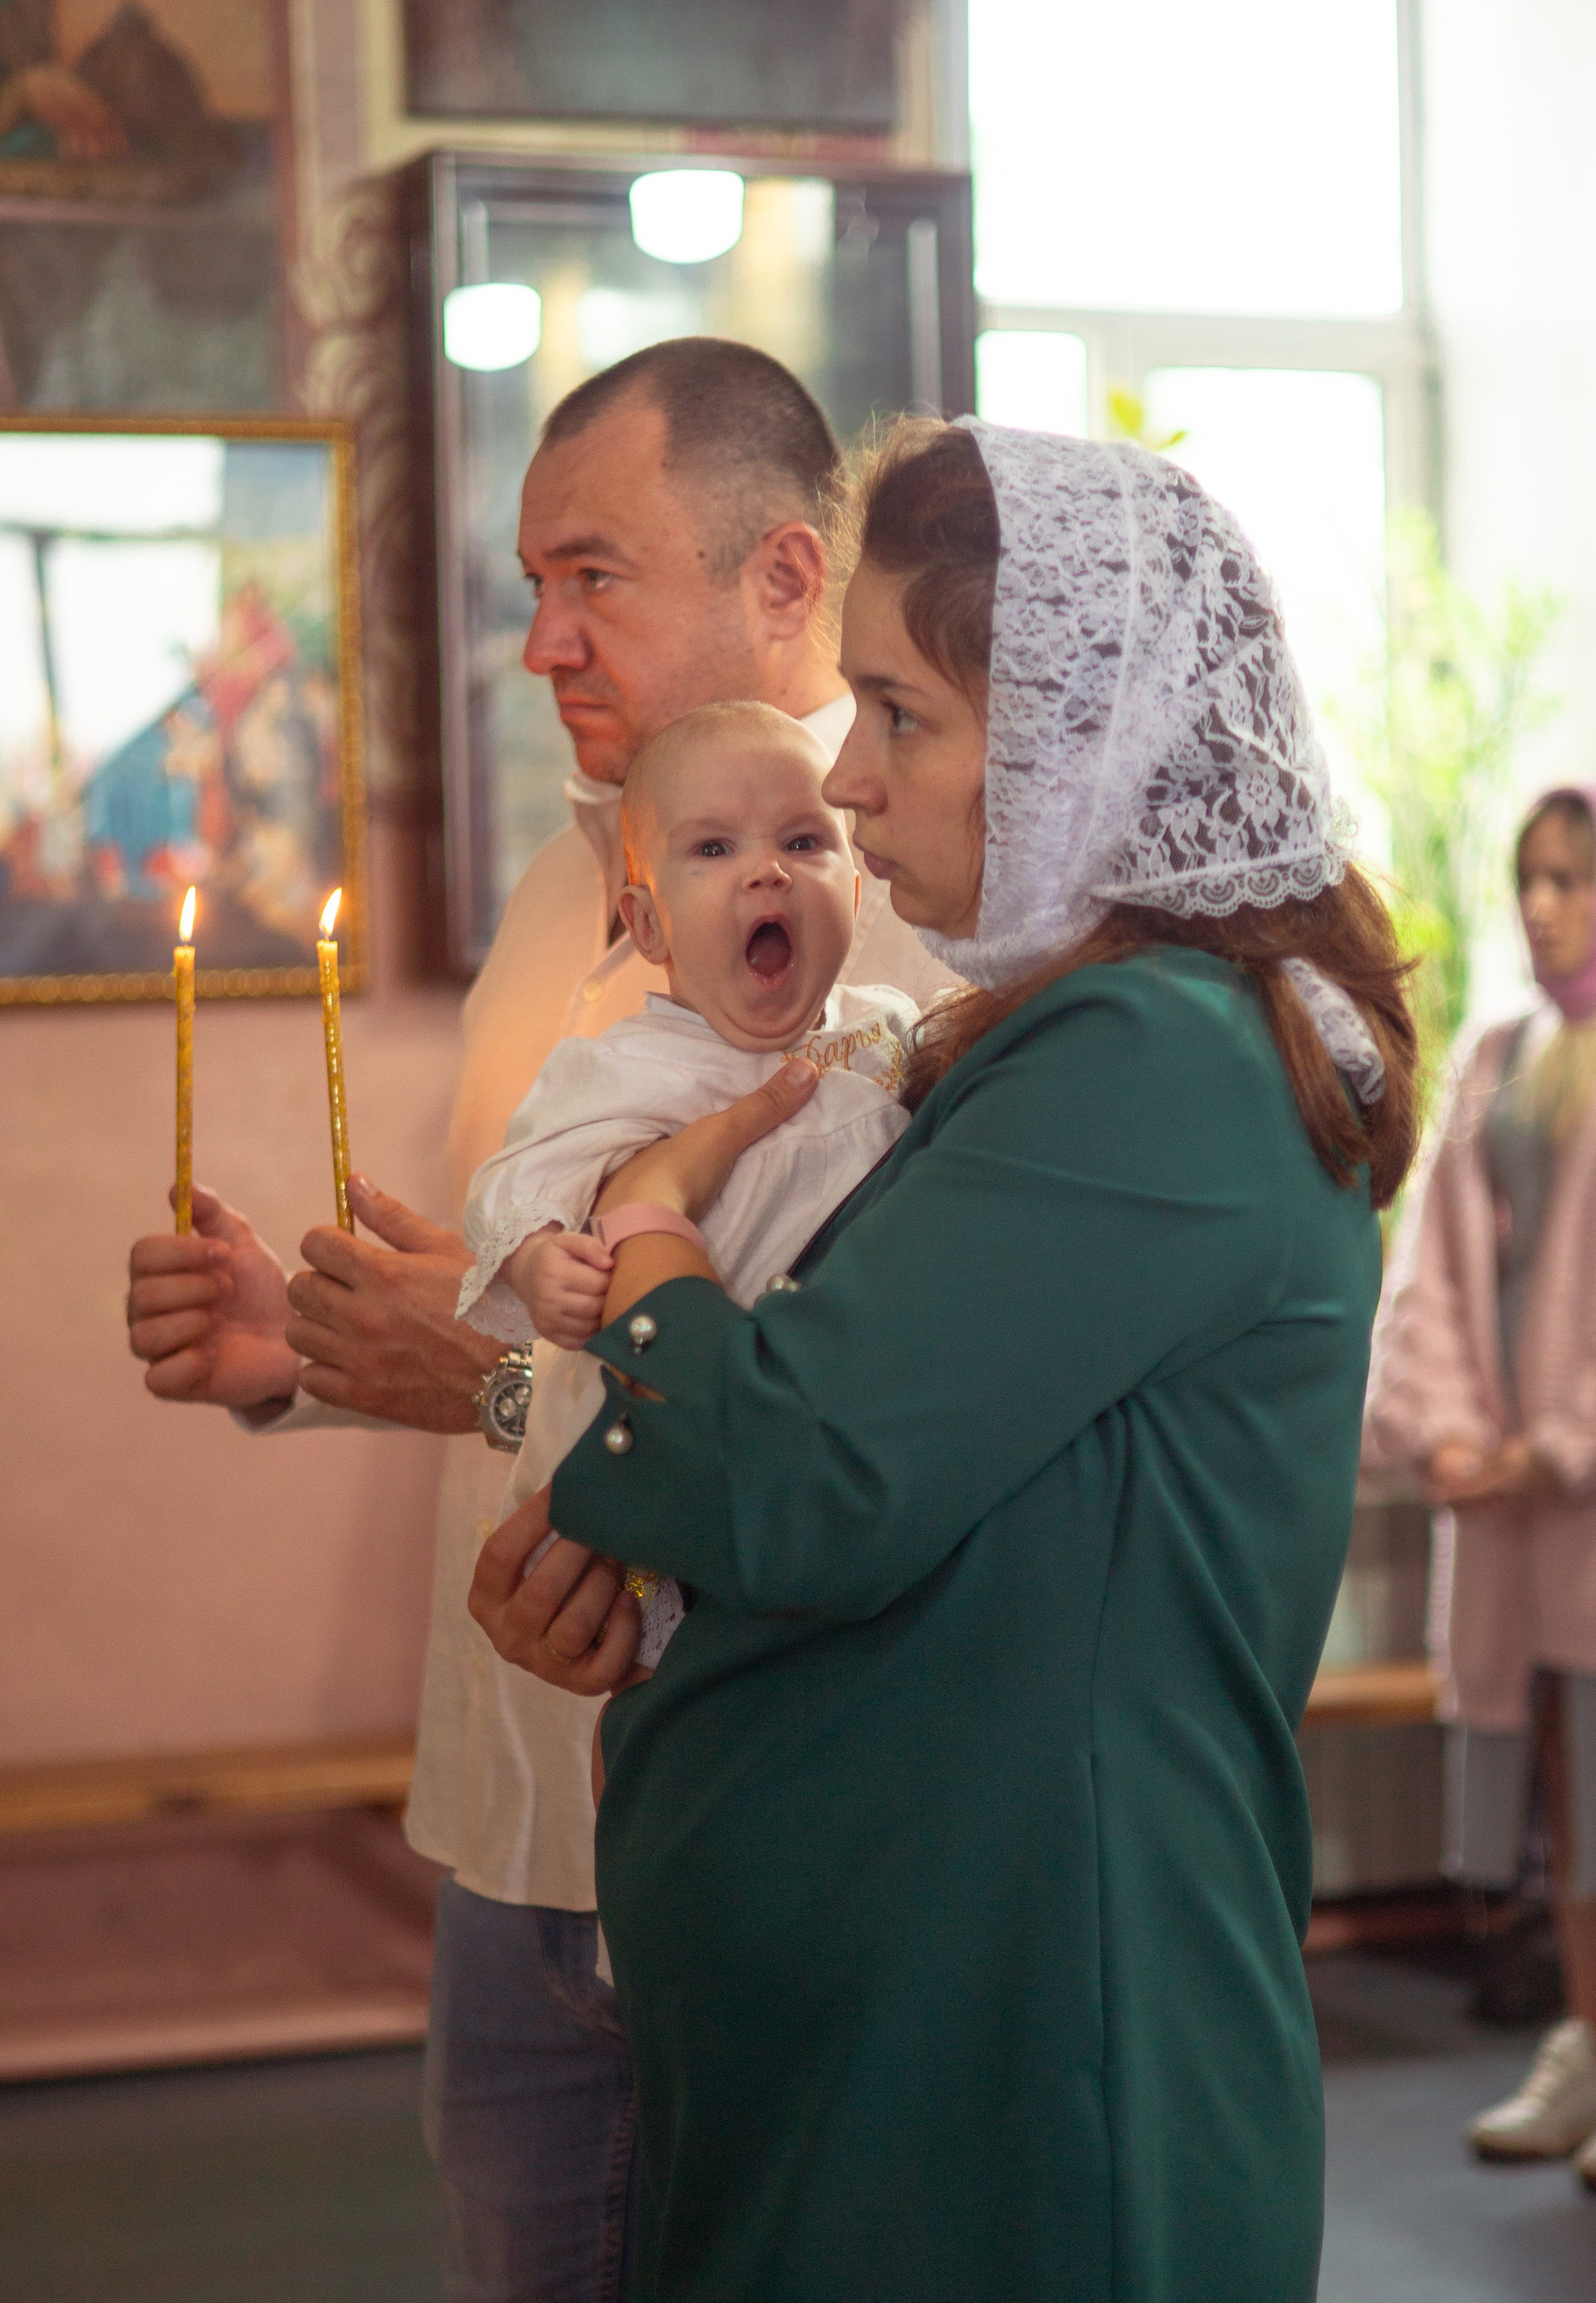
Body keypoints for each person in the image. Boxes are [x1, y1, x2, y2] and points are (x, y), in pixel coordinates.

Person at [470, 418, 1420, 2302]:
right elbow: (833, 1437)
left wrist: (653, 1219)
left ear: (1081, 743)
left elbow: (793, 1483)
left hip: (1023, 2065)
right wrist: (605, 1529)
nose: (846, 770)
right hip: (908, 2035)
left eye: (899, 713)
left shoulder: (1157, 1058)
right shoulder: (1049, 1039)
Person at [123, 340, 942, 2303]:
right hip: (512, 1802)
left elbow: (834, 1435)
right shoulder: (558, 889)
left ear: (781, 580)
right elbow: (521, 1307)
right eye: (529, 588)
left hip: (764, 1815)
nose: (540, 643)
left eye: (594, 578)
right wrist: (299, 1358)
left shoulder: (907, 921)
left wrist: (486, 1380)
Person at [458, 699, 916, 1665]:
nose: (767, 869)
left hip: (816, 1433)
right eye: (713, 849)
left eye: (805, 839)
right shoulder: (625, 1071)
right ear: (647, 921)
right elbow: (513, 1181)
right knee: (645, 1672)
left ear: (859, 883)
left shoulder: (889, 1032)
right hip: (657, 1422)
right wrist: (541, 1261)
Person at [1364, 784, 1596, 2177]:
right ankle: (1581, 2037)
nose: (1539, 903)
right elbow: (1433, 1274)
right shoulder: (1498, 1058)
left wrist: (1562, 1440)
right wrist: (1448, 1432)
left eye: (1568, 878)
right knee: (1562, 1794)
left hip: (1574, 1487)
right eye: (1529, 877)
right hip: (1510, 1509)